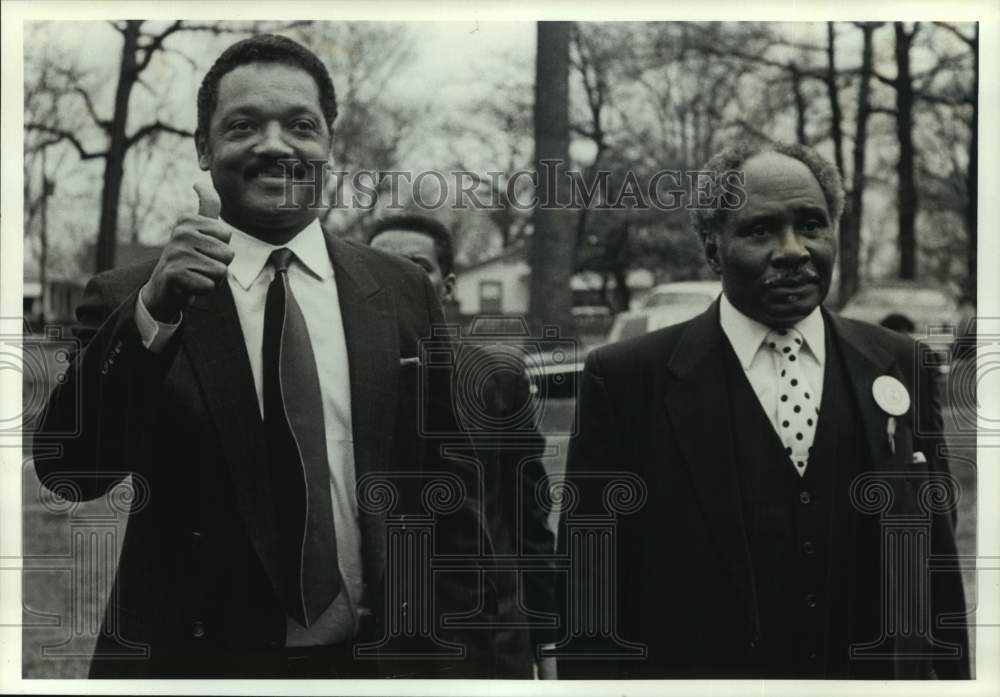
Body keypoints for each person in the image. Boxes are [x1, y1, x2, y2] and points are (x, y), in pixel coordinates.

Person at [33, 34, 492, 679]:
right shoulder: (132, 296)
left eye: (300, 125)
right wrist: (155, 313)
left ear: (329, 144)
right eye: (244, 124)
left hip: (380, 662)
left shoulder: (401, 289)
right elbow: (72, 471)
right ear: (203, 146)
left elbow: (454, 495)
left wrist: (467, 661)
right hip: (199, 664)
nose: (275, 145)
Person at [556, 142, 970, 679]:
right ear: (712, 249)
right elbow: (591, 596)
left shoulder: (899, 363)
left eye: (812, 226)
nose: (794, 249)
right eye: (761, 230)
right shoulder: (627, 381)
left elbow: (935, 564)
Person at [369, 214, 559, 679]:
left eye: (415, 267)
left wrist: (546, 638)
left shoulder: (495, 378)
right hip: (373, 647)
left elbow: (527, 522)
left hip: (488, 644)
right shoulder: (328, 379)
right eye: (379, 268)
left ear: (448, 284)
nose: (396, 281)